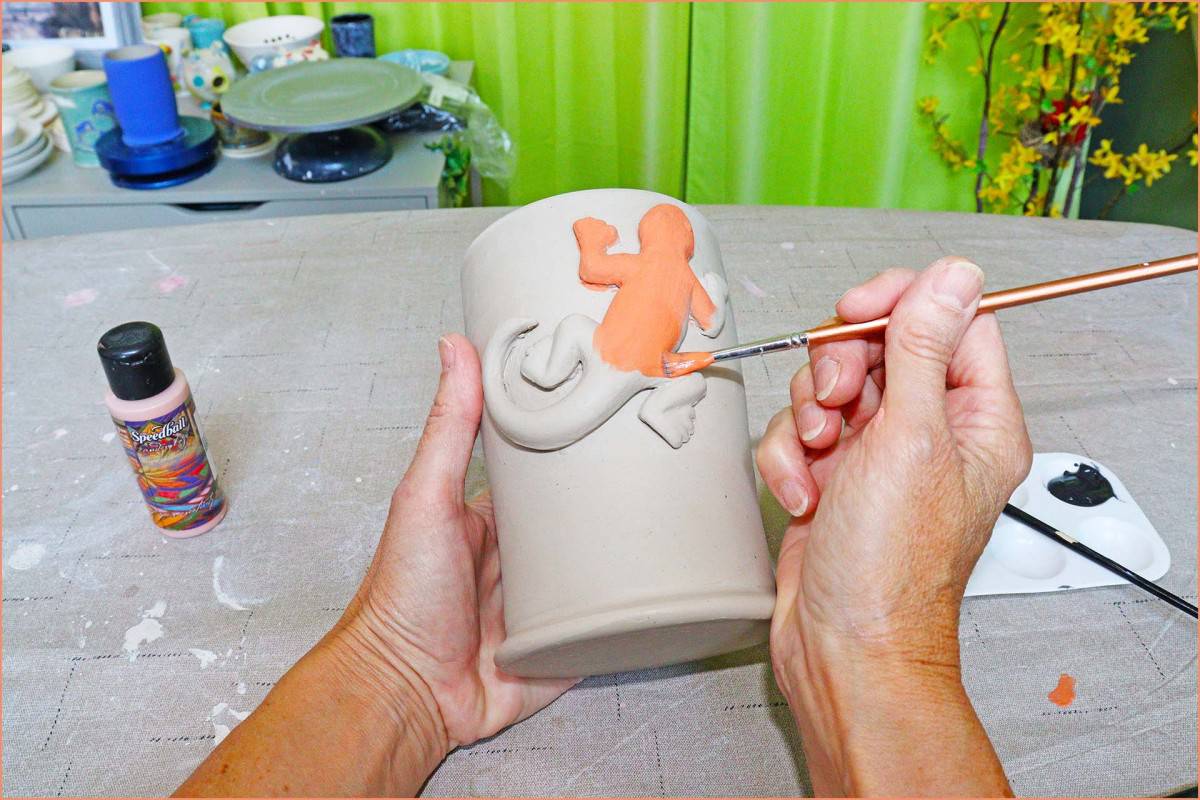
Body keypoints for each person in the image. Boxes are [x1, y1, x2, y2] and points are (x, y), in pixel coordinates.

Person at [177, 256, 1031, 798]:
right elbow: (695, 291)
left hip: (625, 367)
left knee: (629, 374)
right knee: (663, 389)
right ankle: (660, 419)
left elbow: (636, 270)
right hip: (641, 373)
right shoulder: (665, 267)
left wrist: (860, 642)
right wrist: (398, 672)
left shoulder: (643, 264)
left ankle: (642, 418)